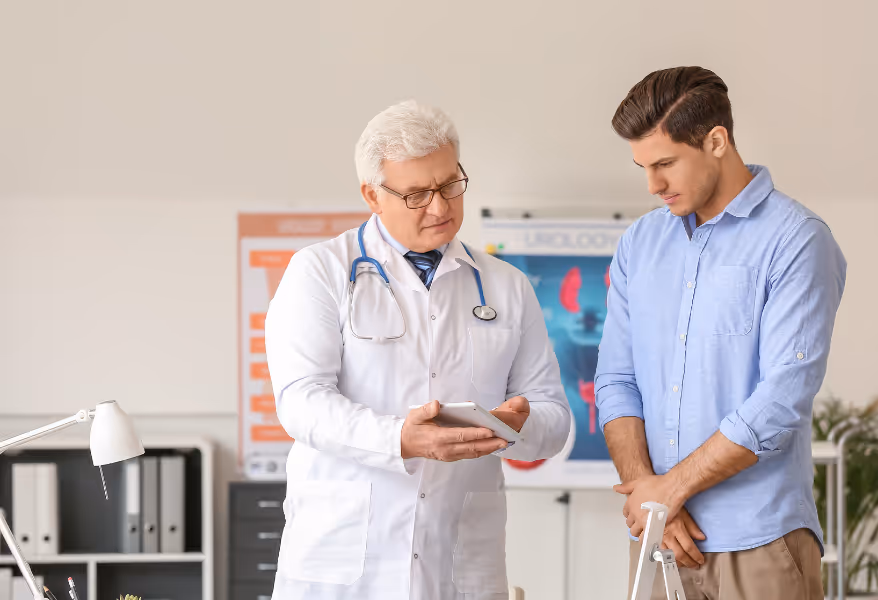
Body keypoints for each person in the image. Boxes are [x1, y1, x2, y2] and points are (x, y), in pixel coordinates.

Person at [266, 100, 571, 600]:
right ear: (372, 195)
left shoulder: (507, 287)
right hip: (342, 563)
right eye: (416, 194)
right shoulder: (320, 272)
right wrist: (400, 439)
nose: (441, 206)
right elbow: (301, 403)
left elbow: (553, 417)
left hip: (460, 558)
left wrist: (521, 425)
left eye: (451, 184)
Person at [595, 67, 847, 600]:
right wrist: (651, 497)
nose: (652, 185)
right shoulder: (639, 244)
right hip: (659, 540)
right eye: (643, 166)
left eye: (665, 164)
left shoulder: (797, 241)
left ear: (716, 140)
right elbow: (616, 380)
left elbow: (781, 400)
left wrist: (669, 492)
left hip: (761, 542)